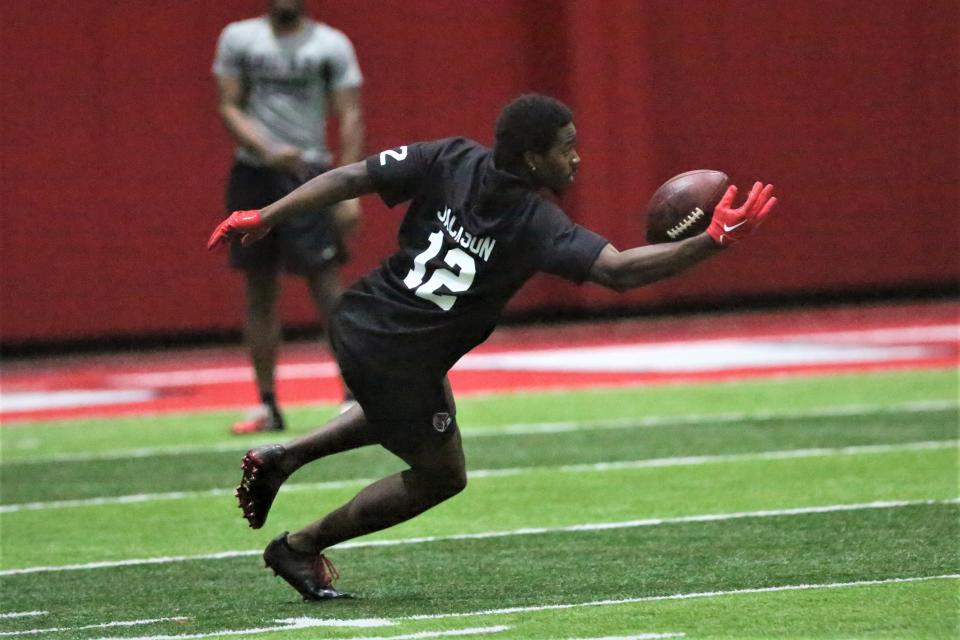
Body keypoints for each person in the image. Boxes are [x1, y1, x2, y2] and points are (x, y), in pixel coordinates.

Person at [208, 93, 778, 600]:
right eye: (566, 148)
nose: (576, 159)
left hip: (361, 317)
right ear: (533, 158)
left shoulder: (452, 156)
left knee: (408, 415)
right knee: (440, 473)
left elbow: (352, 176)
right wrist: (714, 240)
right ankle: (300, 546)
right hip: (401, 352)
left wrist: (268, 215)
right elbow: (620, 272)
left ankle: (283, 459)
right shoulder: (534, 220)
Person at [212, 0, 364, 434]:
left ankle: (354, 397)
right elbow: (228, 104)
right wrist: (267, 150)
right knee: (258, 289)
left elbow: (350, 113)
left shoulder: (331, 44)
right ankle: (268, 404)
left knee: (327, 288)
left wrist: (349, 189)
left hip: (309, 172)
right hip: (254, 173)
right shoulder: (239, 38)